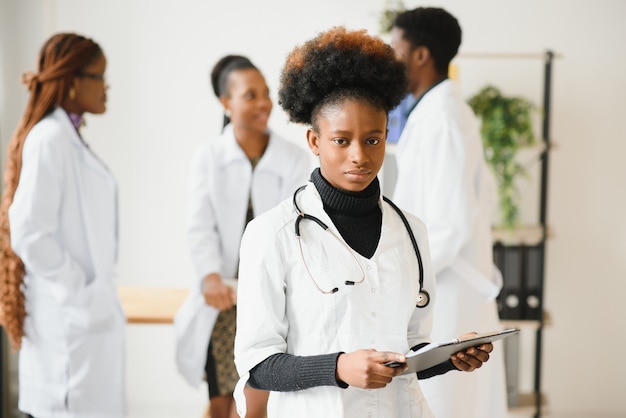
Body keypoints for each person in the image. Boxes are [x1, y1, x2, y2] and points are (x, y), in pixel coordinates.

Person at [233, 26, 496, 418]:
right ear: (314, 141)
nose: (359, 155)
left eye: (373, 139)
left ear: (387, 136)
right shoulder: (271, 234)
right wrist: (339, 367)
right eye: (341, 140)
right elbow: (258, 365)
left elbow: (408, 350)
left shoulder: (411, 231)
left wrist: (449, 356)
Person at [174, 54, 311, 418]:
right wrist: (210, 277)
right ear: (226, 103)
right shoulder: (209, 157)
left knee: (254, 404)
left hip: (269, 297)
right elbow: (199, 225)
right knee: (221, 402)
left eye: (265, 93)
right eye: (251, 95)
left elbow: (300, 228)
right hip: (222, 301)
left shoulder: (294, 158)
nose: (264, 102)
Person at [390, 7, 508, 418]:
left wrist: (399, 275)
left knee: (446, 403)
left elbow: (450, 224)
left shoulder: (443, 118)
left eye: (395, 47)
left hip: (446, 288)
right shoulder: (432, 113)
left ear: (420, 55)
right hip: (439, 285)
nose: (391, 56)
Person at [0, 33, 125, 417]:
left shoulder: (66, 137)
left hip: (80, 325)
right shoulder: (51, 139)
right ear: (73, 81)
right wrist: (81, 293)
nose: (106, 87)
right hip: (68, 330)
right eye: (99, 76)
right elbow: (30, 233)